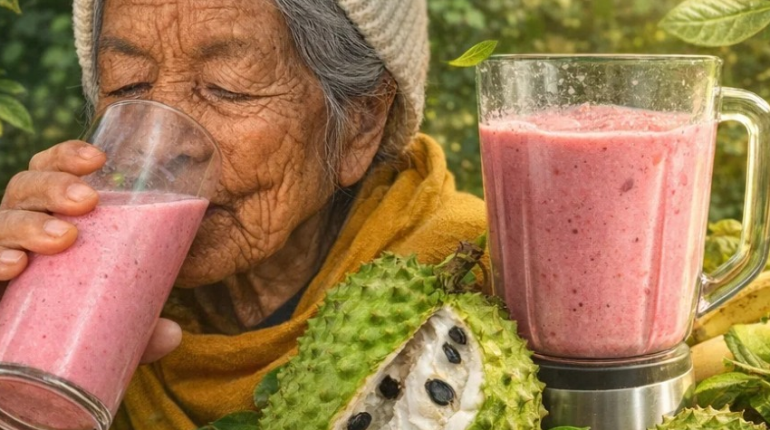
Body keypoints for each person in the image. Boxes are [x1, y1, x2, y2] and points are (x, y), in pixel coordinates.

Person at [0, 0, 487, 428]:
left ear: (362, 122)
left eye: (227, 88)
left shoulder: (493, 278)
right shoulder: (78, 279)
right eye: (129, 86)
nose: (164, 146)